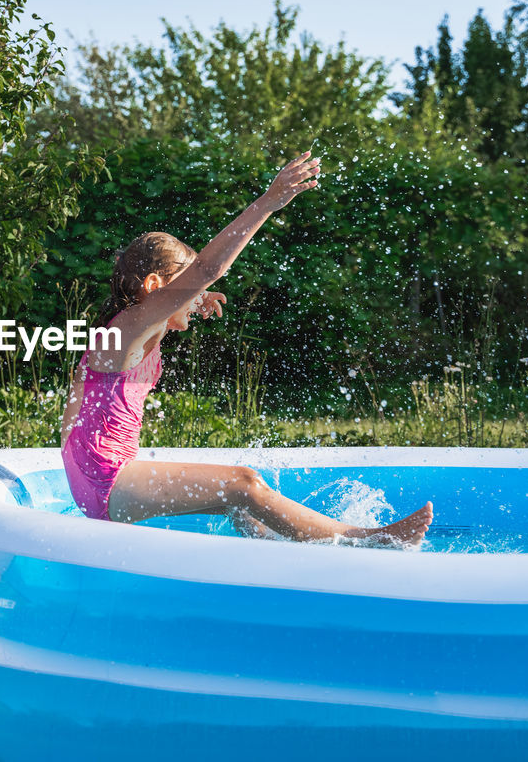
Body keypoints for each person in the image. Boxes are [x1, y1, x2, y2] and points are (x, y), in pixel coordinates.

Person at [60, 150, 434, 547]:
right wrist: (267, 203)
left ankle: (273, 556)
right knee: (244, 484)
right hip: (108, 477)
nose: (197, 292)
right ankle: (370, 540)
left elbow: (77, 396)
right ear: (155, 288)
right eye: (186, 287)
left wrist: (189, 300)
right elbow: (208, 268)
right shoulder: (129, 327)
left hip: (99, 474)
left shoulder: (131, 334)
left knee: (237, 503)